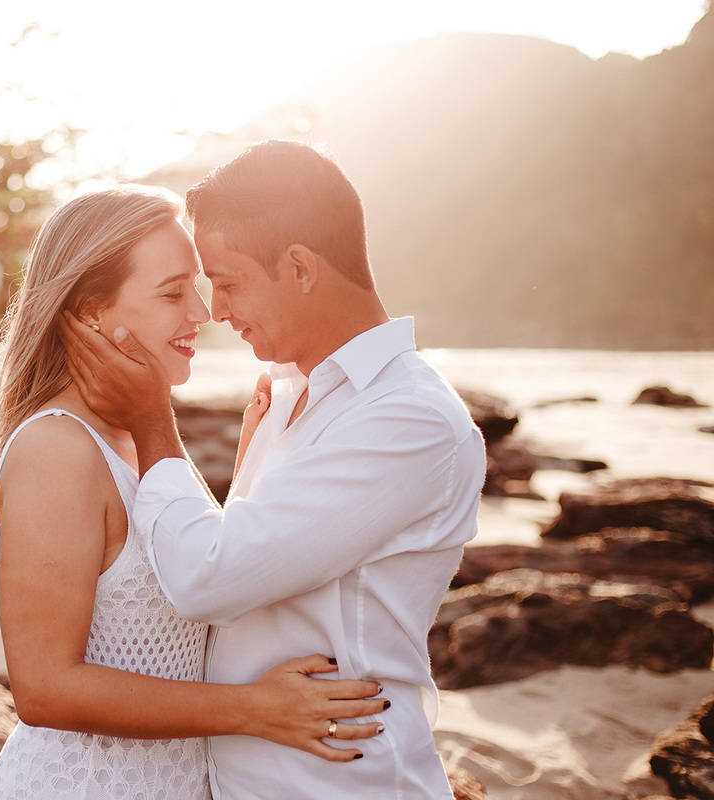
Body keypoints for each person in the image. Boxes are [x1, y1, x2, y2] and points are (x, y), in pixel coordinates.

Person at [60, 140, 487, 798]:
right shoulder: (285, 394)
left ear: (298, 268)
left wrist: (152, 422)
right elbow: (248, 564)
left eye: (227, 282)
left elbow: (209, 580)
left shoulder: (408, 417)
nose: (217, 312)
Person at [0, 185, 388, 799]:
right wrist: (255, 709)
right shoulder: (58, 450)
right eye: (172, 292)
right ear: (91, 312)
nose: (202, 313)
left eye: (199, 287)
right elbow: (44, 688)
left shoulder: (134, 438)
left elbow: (196, 586)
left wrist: (247, 479)